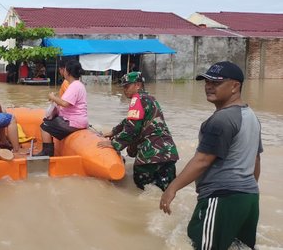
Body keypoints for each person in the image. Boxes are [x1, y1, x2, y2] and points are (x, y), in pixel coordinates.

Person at [160, 61, 262, 250]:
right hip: (249, 199)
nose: (209, 86)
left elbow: (202, 160)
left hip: (222, 198)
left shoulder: (221, 120)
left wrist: (171, 188)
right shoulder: (251, 116)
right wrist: (246, 193)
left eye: (216, 83)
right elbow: (255, 159)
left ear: (234, 86)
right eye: (207, 82)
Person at [98, 72, 179, 191]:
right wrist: (114, 131)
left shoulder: (136, 99)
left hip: (150, 157)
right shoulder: (151, 99)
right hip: (169, 154)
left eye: (127, 86)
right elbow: (131, 120)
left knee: (142, 193)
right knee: (167, 193)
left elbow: (132, 128)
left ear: (138, 85)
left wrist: (114, 143)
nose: (124, 90)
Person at [35, 60, 88, 157]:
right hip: (77, 120)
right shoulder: (78, 85)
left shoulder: (74, 86)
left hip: (73, 122)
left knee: (45, 125)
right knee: (48, 120)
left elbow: (65, 103)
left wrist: (52, 97)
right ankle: (49, 150)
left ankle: (47, 152)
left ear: (67, 72)